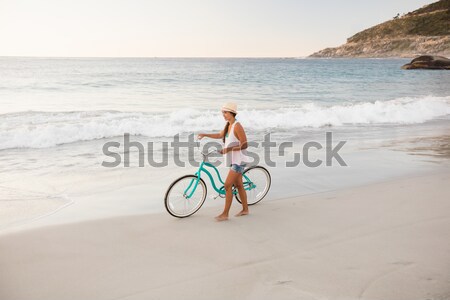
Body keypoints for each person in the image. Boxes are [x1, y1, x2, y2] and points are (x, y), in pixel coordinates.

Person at [197, 102, 249, 221]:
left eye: (225, 112)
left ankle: (225, 214)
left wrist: (228, 149)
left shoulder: (237, 126)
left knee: (227, 185)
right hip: (233, 159)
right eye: (222, 113)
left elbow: (245, 144)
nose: (223, 115)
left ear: (232, 113)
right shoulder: (228, 125)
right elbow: (220, 135)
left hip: (239, 160)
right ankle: (245, 209)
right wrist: (205, 135)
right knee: (239, 185)